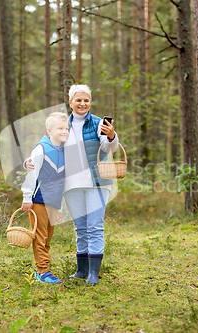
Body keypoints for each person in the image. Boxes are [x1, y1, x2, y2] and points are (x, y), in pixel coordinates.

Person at [24, 85, 119, 285]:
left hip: (97, 182)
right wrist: (29, 161)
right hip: (72, 184)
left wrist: (111, 136)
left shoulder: (98, 123)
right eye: (78, 100)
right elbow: (47, 146)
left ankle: (93, 273)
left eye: (86, 100)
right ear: (70, 102)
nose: (82, 103)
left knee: (94, 226)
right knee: (81, 228)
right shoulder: (63, 124)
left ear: (90, 102)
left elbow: (109, 148)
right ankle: (81, 270)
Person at [21, 112, 69, 284]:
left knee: (48, 237)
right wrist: (27, 197)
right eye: (60, 128)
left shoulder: (63, 149)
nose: (64, 131)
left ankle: (44, 268)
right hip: (39, 200)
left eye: (66, 128)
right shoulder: (41, 148)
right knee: (40, 236)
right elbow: (32, 174)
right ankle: (42, 271)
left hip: (53, 202)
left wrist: (60, 207)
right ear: (49, 130)